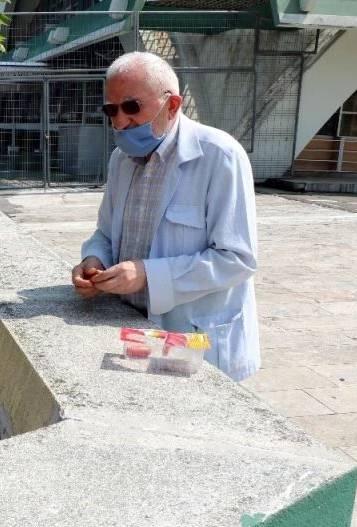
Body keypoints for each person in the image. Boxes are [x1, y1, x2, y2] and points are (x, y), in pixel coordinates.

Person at [71, 51, 260, 382]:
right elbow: (106, 233)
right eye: (111, 110)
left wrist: (148, 274)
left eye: (131, 107)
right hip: (133, 329)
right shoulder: (120, 160)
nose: (119, 122)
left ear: (171, 105)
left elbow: (237, 259)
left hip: (195, 336)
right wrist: (94, 261)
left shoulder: (220, 156)